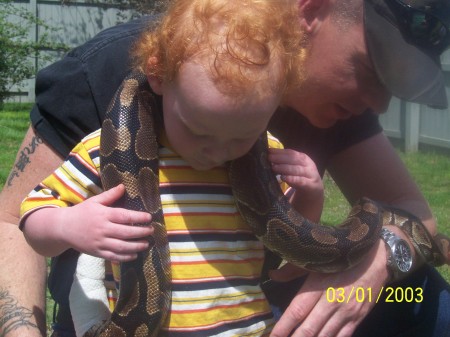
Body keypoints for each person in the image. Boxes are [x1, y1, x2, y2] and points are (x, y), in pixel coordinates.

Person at [0, 0, 449, 336]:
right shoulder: (129, 67)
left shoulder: (337, 105)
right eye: (371, 71)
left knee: (425, 300)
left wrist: (374, 266)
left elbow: (410, 212)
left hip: (245, 309)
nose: (380, 103)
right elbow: (11, 219)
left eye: (393, 88)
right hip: (123, 313)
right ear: (312, 12)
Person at [18, 0, 322, 335]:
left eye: (243, 137)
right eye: (198, 130)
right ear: (159, 76)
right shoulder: (101, 150)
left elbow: (291, 245)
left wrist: (310, 195)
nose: (218, 150)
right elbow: (32, 216)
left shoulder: (266, 157)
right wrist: (65, 225)